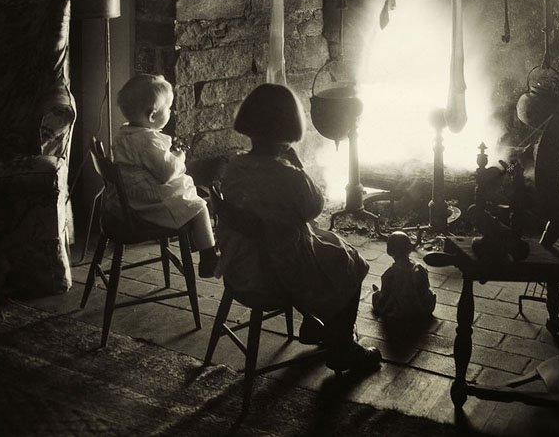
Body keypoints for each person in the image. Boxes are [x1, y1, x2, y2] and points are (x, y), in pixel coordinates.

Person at [218, 83, 381, 374]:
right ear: (289, 130)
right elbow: (314, 206)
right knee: (350, 260)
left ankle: (315, 326)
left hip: (240, 265)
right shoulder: (288, 176)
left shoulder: (234, 167)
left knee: (327, 244)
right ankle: (341, 345)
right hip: (276, 273)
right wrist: (299, 167)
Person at [113, 74, 220, 278]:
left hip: (129, 198)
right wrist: (178, 156)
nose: (171, 112)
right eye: (168, 108)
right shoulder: (148, 141)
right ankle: (209, 257)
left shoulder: (125, 133)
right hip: (147, 203)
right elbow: (166, 173)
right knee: (199, 208)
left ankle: (196, 240)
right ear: (153, 116)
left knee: (189, 194)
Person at [371, 232, 437, 325]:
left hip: (397, 310)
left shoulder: (390, 273)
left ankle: (376, 291)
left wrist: (379, 295)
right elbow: (425, 289)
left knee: (378, 296)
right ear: (410, 248)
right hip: (420, 309)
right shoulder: (420, 268)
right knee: (430, 292)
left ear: (389, 251)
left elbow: (385, 294)